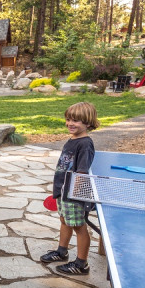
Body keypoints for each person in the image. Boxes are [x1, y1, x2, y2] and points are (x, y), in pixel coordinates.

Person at [39, 101, 100, 275]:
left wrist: (74, 195)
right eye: (68, 119)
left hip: (73, 194)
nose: (70, 123)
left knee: (79, 226)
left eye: (76, 121)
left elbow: (81, 172)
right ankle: (61, 251)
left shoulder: (85, 144)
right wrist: (59, 191)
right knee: (64, 221)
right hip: (63, 191)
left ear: (88, 123)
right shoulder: (73, 138)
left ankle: (82, 264)